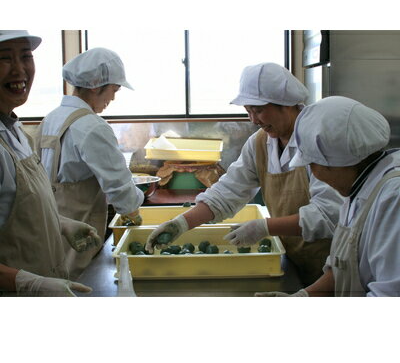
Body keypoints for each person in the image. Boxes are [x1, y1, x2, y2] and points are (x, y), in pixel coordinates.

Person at [145, 62, 344, 286]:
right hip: (290, 259)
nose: (253, 120)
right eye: (248, 111)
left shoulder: (318, 140)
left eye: (258, 111)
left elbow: (329, 215)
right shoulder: (259, 143)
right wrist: (181, 224)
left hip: (329, 265)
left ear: (285, 104)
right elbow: (227, 192)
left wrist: (265, 227)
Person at [256, 96, 400, 297]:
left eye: (312, 165)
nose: (315, 174)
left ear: (333, 164)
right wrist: (304, 297)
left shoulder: (393, 199)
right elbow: (343, 266)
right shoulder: (360, 186)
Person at [0, 30, 99, 296]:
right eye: (4, 58)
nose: (19, 69)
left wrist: (60, 222)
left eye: (26, 56)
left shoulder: (15, 130)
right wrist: (28, 283)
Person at [35, 47, 144, 279]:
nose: (113, 98)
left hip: (47, 225)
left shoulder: (51, 118)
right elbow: (120, 187)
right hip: (78, 232)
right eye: (114, 90)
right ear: (95, 85)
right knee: (78, 283)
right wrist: (134, 213)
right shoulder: (92, 126)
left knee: (53, 279)